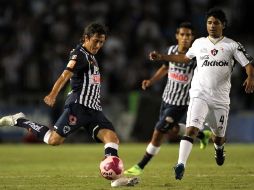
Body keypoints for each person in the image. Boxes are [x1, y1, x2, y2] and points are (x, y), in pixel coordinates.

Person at [0, 22, 138, 187]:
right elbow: (65, 75)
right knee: (54, 141)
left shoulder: (92, 57)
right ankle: (19, 120)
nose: (99, 45)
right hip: (78, 107)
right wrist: (52, 94)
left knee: (112, 138)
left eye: (102, 42)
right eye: (96, 41)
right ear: (86, 38)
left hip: (94, 109)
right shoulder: (78, 54)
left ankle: (117, 179)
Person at [149, 8, 254, 180]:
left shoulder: (232, 45)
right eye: (209, 23)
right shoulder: (198, 43)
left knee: (218, 138)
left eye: (216, 23)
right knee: (191, 129)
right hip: (199, 95)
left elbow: (248, 64)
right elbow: (184, 58)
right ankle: (181, 164)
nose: (212, 26)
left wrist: (250, 77)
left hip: (220, 100)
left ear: (223, 25)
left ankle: (219, 150)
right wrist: (162, 57)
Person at [124, 22, 212, 176]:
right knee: (170, 129)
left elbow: (183, 59)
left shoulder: (195, 55)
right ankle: (201, 135)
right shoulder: (171, 49)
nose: (185, 38)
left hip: (181, 102)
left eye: (188, 35)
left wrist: (161, 56)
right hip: (167, 99)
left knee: (159, 130)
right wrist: (151, 81)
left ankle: (140, 165)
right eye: (182, 34)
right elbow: (166, 67)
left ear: (193, 38)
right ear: (177, 36)